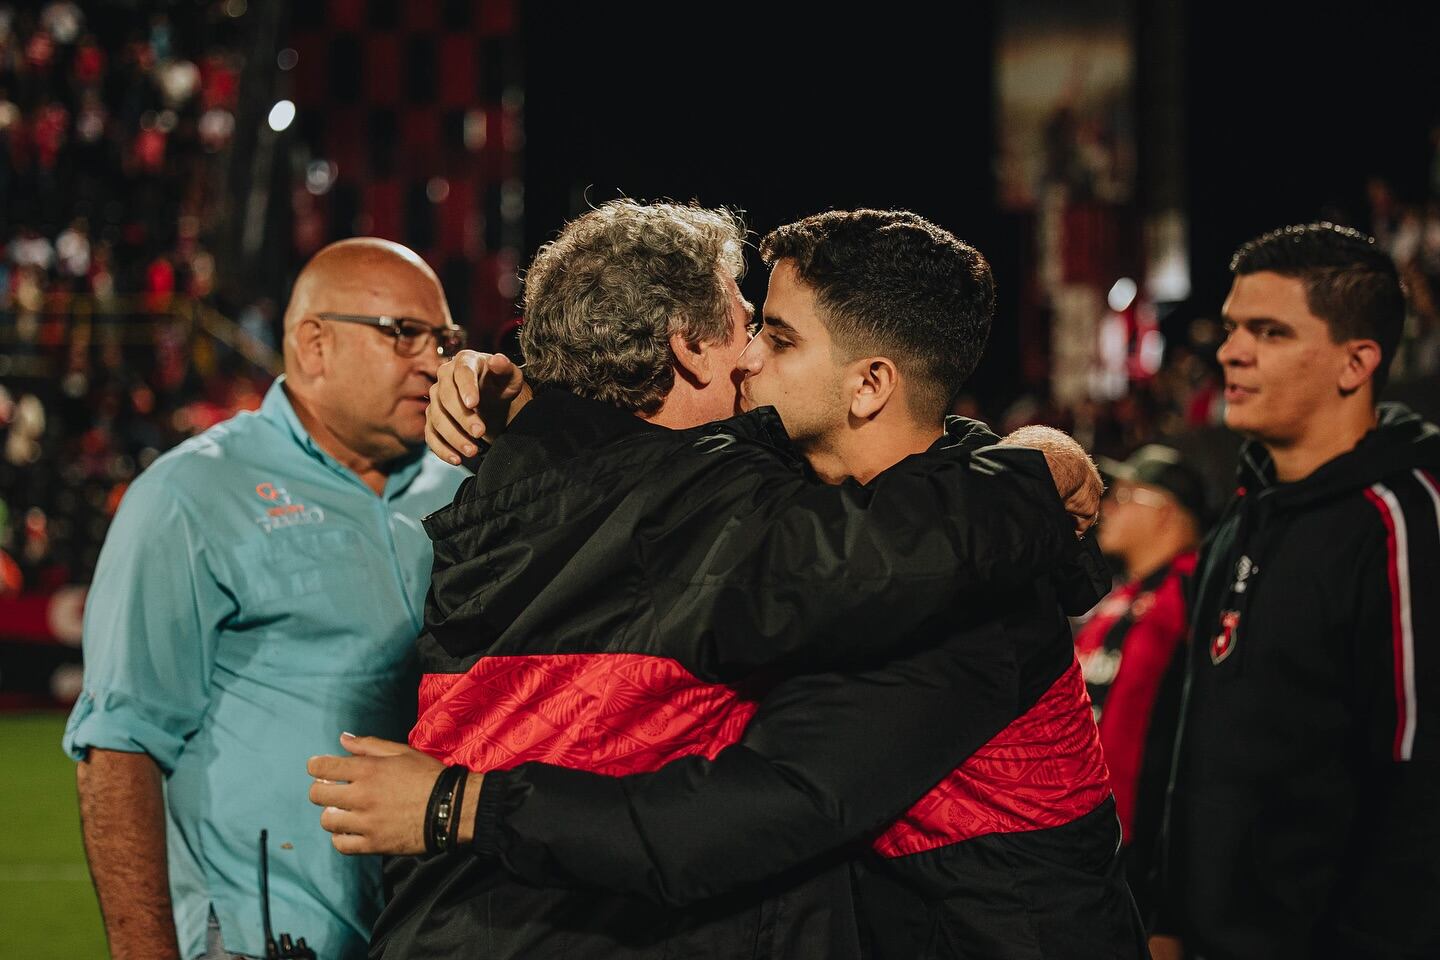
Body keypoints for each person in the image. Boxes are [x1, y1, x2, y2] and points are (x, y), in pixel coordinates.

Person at [311, 204, 1143, 958]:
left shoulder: (948, 586)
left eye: (777, 337)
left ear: (869, 384)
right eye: (754, 328)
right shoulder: (731, 509)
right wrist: (1036, 469)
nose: (750, 358)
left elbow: (743, 815)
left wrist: (1038, 466)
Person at [63, 238, 469, 960]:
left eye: (444, 339)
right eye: (404, 334)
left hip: (442, 936)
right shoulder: (191, 495)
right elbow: (120, 745)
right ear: (314, 345)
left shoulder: (472, 488)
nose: (434, 362)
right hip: (261, 941)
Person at [1152, 223, 1440, 959]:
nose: (1231, 352)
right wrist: (1168, 917)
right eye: (1232, 328)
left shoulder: (1402, 520)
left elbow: (1419, 787)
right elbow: (1196, 747)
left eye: (1271, 332)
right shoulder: (1242, 515)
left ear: (1357, 362)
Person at [1076, 444, 1206, 916]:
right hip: (1085, 838)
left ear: (1165, 511)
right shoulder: (1115, 599)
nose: (1109, 508)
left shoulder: (1195, 590)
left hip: (1145, 853)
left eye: (1127, 496)